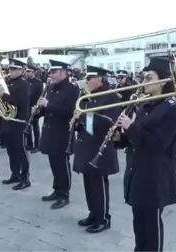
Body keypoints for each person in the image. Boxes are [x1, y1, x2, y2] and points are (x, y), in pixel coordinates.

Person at [117, 57, 176, 252]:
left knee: (152, 224)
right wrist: (120, 137)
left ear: (162, 81)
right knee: (139, 220)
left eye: (149, 77)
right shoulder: (145, 105)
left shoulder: (171, 109)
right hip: (138, 171)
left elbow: (157, 144)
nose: (144, 82)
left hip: (155, 175)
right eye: (144, 78)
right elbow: (137, 138)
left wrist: (130, 128)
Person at [72, 66, 122, 233]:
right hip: (87, 146)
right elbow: (88, 123)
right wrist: (77, 122)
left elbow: (110, 123)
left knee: (99, 185)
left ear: (99, 79)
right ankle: (93, 213)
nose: (86, 82)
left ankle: (103, 218)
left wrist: (84, 116)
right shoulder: (89, 96)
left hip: (101, 148)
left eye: (89, 78)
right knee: (88, 183)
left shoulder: (112, 97)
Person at [36, 59, 80, 209]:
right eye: (51, 72)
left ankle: (64, 194)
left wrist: (48, 105)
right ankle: (57, 189)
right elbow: (45, 109)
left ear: (63, 72)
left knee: (62, 164)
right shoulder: (50, 87)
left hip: (62, 132)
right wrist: (38, 111)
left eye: (54, 72)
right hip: (50, 130)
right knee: (54, 163)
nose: (51, 75)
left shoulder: (72, 89)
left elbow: (70, 112)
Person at [0, 59, 31, 190]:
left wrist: (3, 96)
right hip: (8, 120)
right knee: (11, 150)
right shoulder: (8, 82)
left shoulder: (24, 84)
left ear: (20, 70)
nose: (10, 72)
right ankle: (15, 174)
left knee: (20, 150)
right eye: (9, 69)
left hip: (19, 121)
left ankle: (25, 178)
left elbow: (20, 101)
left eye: (13, 70)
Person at [25, 65, 44, 153]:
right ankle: (29, 144)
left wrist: (37, 107)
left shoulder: (38, 82)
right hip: (26, 107)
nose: (27, 73)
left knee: (35, 127)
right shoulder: (25, 82)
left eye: (29, 71)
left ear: (33, 72)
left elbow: (40, 95)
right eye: (27, 71)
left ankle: (37, 145)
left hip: (34, 106)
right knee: (27, 126)